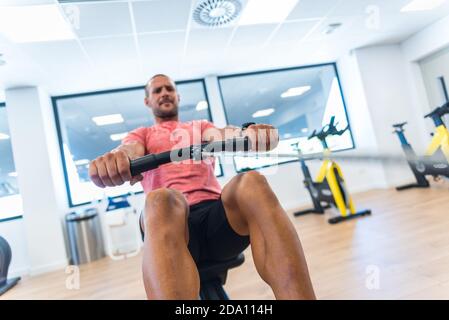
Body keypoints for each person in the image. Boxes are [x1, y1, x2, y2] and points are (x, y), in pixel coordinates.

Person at [89, 74, 316, 300]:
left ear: (177, 96)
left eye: (169, 88)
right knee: (161, 199)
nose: (164, 93)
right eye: (157, 91)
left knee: (252, 182)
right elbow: (130, 149)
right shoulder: (143, 134)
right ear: (148, 101)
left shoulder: (199, 126)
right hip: (169, 224)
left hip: (216, 222)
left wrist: (247, 133)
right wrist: (117, 159)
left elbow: (223, 134)